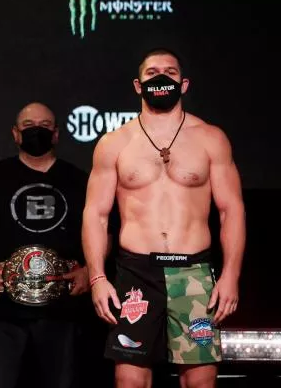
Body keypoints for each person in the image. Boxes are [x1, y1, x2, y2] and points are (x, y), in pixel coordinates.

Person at [82, 48, 246, 387]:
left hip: (193, 271)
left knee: (200, 381)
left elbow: (231, 210)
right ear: (138, 85)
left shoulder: (210, 138)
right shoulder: (115, 143)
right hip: (137, 272)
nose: (161, 78)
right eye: (152, 72)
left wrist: (231, 275)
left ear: (183, 84)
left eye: (170, 73)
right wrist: (97, 277)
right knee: (130, 379)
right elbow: (96, 214)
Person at [0, 102, 91, 388]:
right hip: (1, 307)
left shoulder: (80, 180)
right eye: (28, 126)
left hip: (62, 307)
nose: (36, 131)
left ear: (56, 134)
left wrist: (90, 270)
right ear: (15, 134)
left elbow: (102, 230)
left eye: (44, 126)